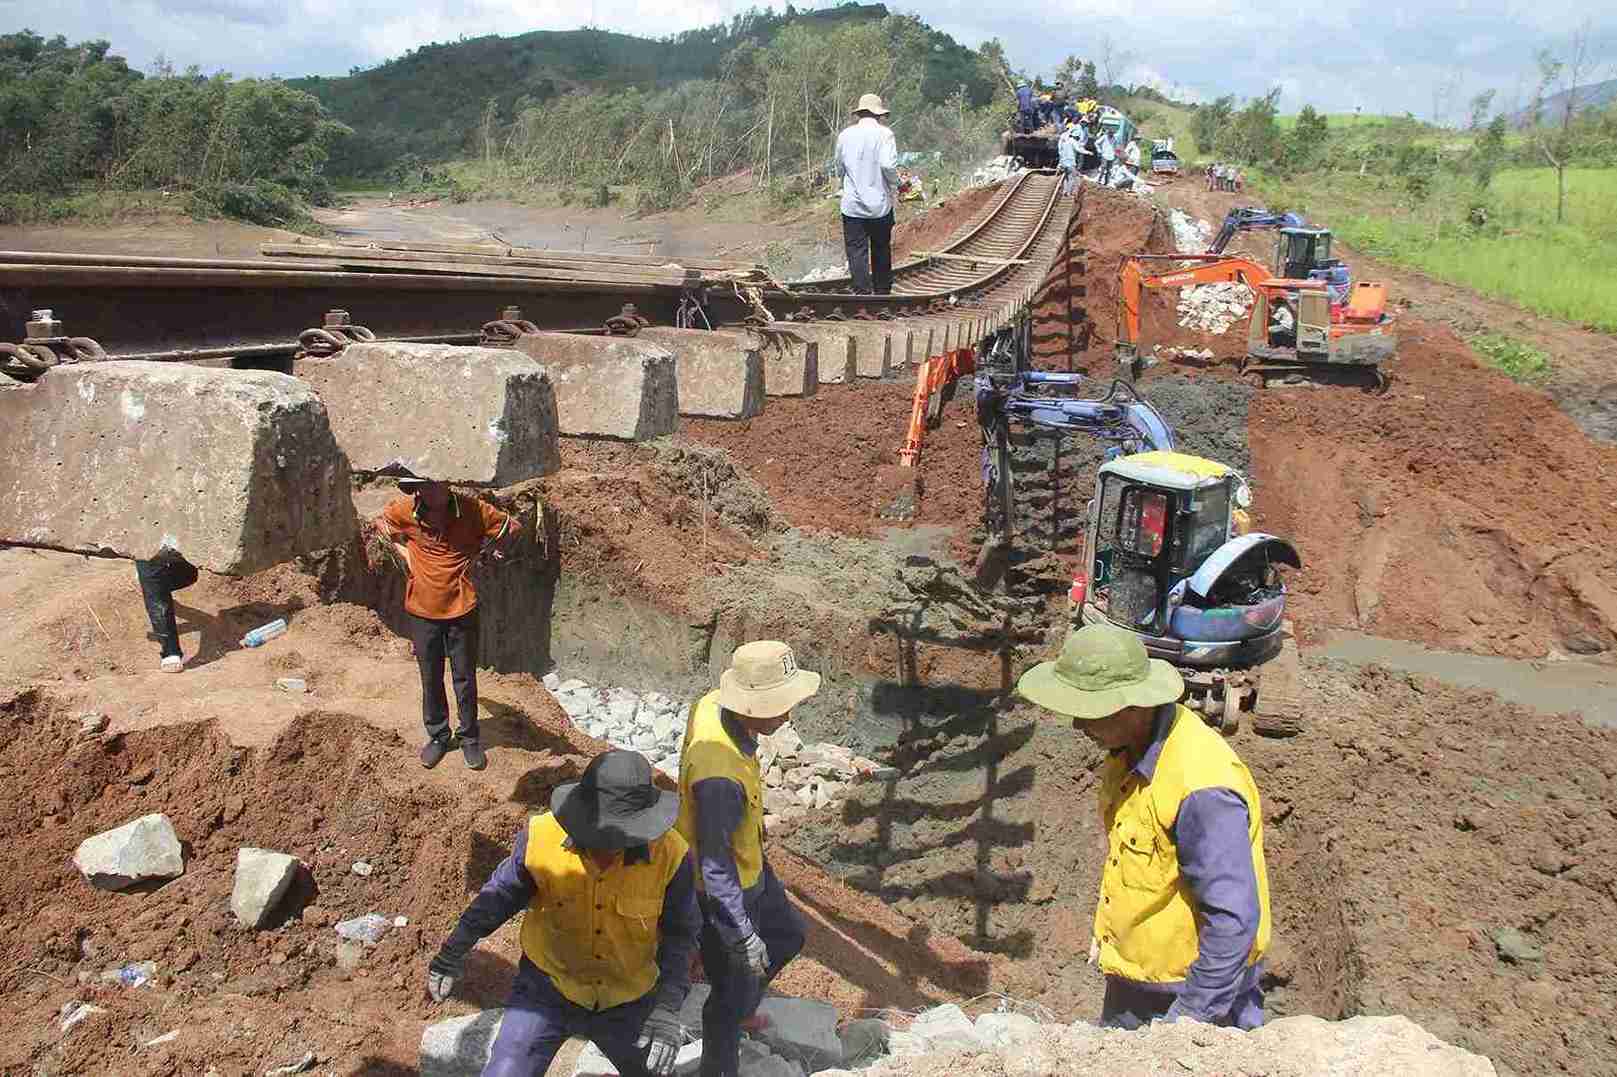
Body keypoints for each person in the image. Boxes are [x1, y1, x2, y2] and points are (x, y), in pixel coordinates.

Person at [1016, 624, 1271, 1030]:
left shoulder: (1202, 788)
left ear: (1134, 707)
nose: (1078, 726)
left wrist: (1184, 1026)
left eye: (1089, 711)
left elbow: (1232, 923)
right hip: (1137, 987)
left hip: (1197, 999)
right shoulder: (1129, 751)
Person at [426, 751, 699, 1077]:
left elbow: (681, 935)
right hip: (548, 988)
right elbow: (497, 898)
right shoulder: (541, 838)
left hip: (630, 997)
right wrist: (452, 951)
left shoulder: (671, 855)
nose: (607, 845)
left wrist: (667, 1008)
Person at [677, 641, 820, 1077]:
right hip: (725, 893)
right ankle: (720, 1063)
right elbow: (714, 867)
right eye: (781, 705)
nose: (789, 714)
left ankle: (740, 1005)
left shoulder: (712, 705)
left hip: (750, 861)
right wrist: (739, 933)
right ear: (752, 706)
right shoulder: (719, 778)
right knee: (727, 993)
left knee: (788, 937)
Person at [373, 465, 520, 770]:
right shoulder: (404, 511)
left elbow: (512, 527)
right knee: (431, 676)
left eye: (434, 484)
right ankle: (439, 736)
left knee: (464, 678)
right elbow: (382, 524)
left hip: (462, 608)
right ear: (416, 490)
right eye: (423, 487)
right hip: (422, 610)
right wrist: (407, 555)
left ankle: (469, 738)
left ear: (446, 481)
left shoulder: (472, 510)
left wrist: (489, 550)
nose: (430, 491)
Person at [833, 93, 899, 296]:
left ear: (860, 113)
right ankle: (882, 292)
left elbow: (838, 166)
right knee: (881, 248)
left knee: (856, 251)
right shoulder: (885, 134)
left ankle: (861, 293)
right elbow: (888, 165)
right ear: (878, 115)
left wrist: (844, 183)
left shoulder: (845, 135)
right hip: (879, 205)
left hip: (852, 205)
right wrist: (896, 183)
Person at [134, 551, 199, 672]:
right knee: (153, 585)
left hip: (175, 537)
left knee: (189, 575)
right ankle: (170, 651)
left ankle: (151, 584)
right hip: (147, 542)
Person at [1057, 122, 1081, 196]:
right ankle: (1068, 192)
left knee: (1066, 176)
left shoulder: (1064, 136)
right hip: (1070, 160)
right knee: (1071, 177)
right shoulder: (1071, 139)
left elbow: (1060, 147)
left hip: (1064, 159)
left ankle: (1064, 190)